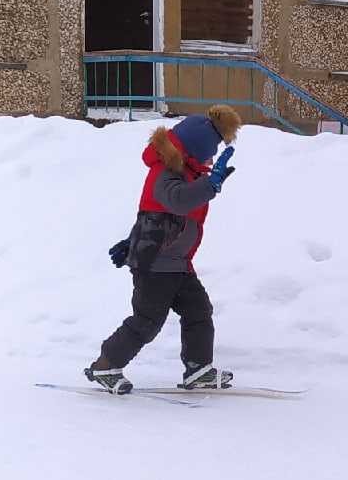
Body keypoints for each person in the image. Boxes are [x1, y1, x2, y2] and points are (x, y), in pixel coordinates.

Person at [85, 105, 241, 394]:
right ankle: (105, 366)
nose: (211, 158)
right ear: (193, 151)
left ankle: (198, 368)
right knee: (147, 321)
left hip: (175, 262)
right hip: (155, 264)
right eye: (209, 151)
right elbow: (177, 202)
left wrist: (131, 241)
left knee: (198, 310)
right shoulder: (165, 174)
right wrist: (212, 184)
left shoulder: (187, 174)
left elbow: (156, 217)